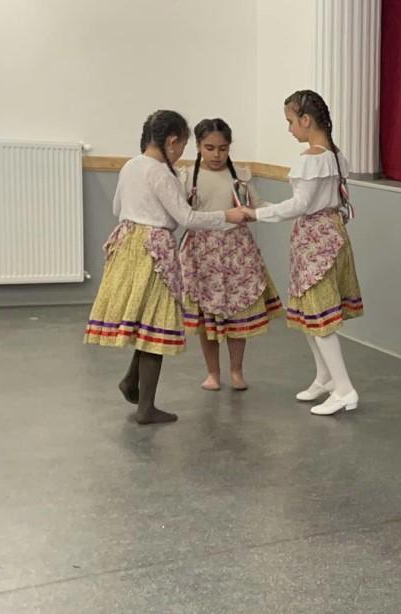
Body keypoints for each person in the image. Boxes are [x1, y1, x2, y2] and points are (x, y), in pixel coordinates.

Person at [84, 110, 252, 424]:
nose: (180, 153)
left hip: (128, 242)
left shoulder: (131, 165)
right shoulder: (161, 172)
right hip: (154, 248)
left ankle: (131, 381)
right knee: (157, 324)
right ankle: (146, 408)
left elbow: (117, 206)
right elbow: (186, 218)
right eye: (183, 146)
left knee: (144, 321)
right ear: (172, 141)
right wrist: (226, 216)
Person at [250, 90, 365, 416]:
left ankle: (344, 389)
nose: (289, 129)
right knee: (310, 314)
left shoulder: (311, 159)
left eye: (290, 122)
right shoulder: (335, 156)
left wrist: (257, 213)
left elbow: (300, 205)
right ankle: (325, 377)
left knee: (319, 315)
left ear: (306, 120)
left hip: (316, 242)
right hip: (330, 235)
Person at [179, 118, 282, 392]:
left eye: (222, 149)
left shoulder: (241, 176)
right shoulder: (187, 177)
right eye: (209, 148)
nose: (216, 155)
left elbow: (258, 205)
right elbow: (181, 212)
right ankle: (212, 372)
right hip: (202, 253)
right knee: (208, 316)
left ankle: (237, 370)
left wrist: (284, 209)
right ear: (198, 146)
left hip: (237, 252)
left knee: (238, 313)